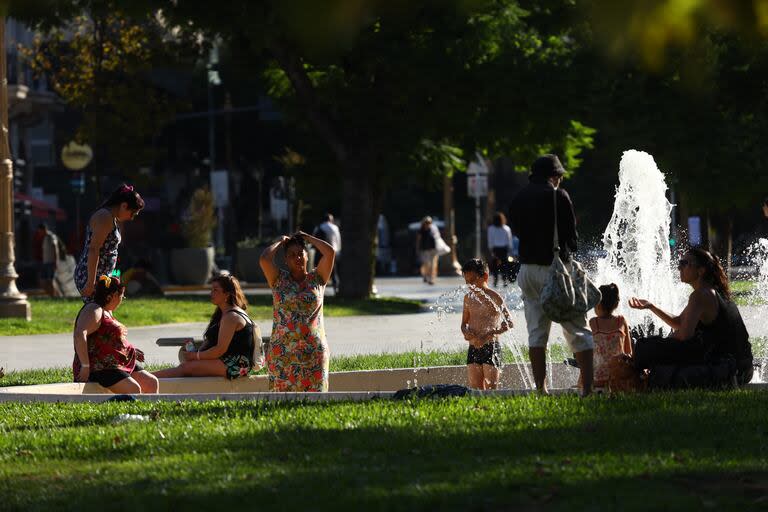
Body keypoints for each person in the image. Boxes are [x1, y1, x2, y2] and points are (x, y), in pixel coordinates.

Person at [509, 154, 594, 396]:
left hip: (527, 270)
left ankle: (541, 389)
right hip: (554, 269)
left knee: (536, 331)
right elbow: (572, 238)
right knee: (577, 327)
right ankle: (587, 389)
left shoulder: (519, 197)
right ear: (554, 176)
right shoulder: (558, 195)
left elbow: (517, 231)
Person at [629, 247, 754, 385]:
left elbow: (684, 336)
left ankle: (631, 378)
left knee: (644, 348)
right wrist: (651, 306)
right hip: (741, 368)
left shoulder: (701, 295)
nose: (679, 268)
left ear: (701, 271)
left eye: (684, 263)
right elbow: (678, 322)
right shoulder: (708, 292)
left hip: (730, 370)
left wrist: (662, 342)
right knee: (653, 350)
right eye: (680, 263)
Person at [260, 231, 335, 391]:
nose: (297, 258)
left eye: (300, 253)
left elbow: (330, 252)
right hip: (283, 354)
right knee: (281, 405)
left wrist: (308, 238)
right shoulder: (278, 280)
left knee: (316, 403)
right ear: (286, 260)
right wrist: (280, 242)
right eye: (292, 255)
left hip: (313, 353)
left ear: (307, 256)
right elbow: (264, 259)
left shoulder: (318, 279)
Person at [153, 274, 260, 379]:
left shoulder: (231, 316)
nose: (211, 293)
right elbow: (212, 341)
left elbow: (220, 350)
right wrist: (195, 353)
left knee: (186, 368)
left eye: (215, 290)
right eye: (211, 289)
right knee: (188, 367)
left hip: (237, 365)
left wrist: (196, 356)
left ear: (227, 294)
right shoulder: (224, 313)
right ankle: (146, 377)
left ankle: (145, 378)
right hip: (228, 361)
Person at [72, 275, 158, 394]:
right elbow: (79, 334)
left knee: (151, 382)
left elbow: (108, 339)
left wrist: (129, 350)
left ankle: (151, 412)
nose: (122, 300)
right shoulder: (94, 310)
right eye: (122, 296)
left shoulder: (108, 311)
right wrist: (85, 366)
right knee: (133, 389)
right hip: (99, 368)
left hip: (116, 364)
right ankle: (130, 413)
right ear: (111, 296)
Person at [74, 184, 144, 301]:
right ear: (124, 205)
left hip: (100, 276)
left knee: (102, 314)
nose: (132, 218)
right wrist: (91, 282)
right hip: (92, 276)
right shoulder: (105, 217)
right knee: (95, 312)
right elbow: (94, 249)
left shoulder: (111, 217)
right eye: (132, 213)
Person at [461, 258, 513, 390]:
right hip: (473, 348)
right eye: (467, 282)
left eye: (472, 281)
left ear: (485, 276)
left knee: (491, 389)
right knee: (475, 389)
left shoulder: (494, 297)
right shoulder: (468, 298)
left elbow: (509, 322)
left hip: (491, 347)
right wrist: (465, 331)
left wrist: (493, 332)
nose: (470, 286)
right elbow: (463, 324)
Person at [589, 284, 632, 388]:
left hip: (597, 378)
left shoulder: (593, 323)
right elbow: (628, 351)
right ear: (616, 305)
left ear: (597, 304)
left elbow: (588, 353)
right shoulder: (621, 321)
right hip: (619, 377)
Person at [313, 213, 342, 293]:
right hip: (332, 252)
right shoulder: (335, 227)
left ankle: (316, 289)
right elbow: (338, 240)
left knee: (317, 271)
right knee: (333, 271)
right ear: (331, 219)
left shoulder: (319, 227)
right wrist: (338, 251)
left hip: (320, 253)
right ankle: (336, 288)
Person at [487, 212, 514, 287]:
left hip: (495, 249)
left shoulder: (491, 229)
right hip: (504, 249)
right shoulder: (506, 228)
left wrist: (491, 250)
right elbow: (509, 240)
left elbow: (490, 240)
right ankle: (505, 280)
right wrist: (510, 250)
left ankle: (495, 281)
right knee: (504, 266)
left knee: (495, 266)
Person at [36, 224, 60, 296]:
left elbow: (56, 249)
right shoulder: (45, 238)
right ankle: (51, 295)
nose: (39, 233)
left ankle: (55, 296)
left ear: (43, 229)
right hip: (45, 262)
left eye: (40, 231)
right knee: (43, 281)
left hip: (51, 262)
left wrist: (56, 261)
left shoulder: (51, 236)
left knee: (51, 280)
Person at [416, 216, 439, 285]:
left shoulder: (433, 229)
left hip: (433, 249)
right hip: (424, 250)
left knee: (432, 264)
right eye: (426, 222)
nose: (428, 224)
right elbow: (418, 240)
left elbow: (438, 238)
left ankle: (431, 279)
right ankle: (425, 276)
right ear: (423, 223)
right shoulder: (421, 230)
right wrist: (417, 248)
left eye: (429, 222)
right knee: (425, 264)